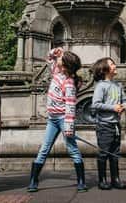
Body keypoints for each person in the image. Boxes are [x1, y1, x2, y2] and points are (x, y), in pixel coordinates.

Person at [28, 48, 87, 193]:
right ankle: (33, 180)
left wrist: (68, 126)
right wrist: (58, 51)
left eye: (61, 58)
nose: (58, 59)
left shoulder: (68, 82)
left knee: (72, 148)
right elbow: (49, 56)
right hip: (52, 119)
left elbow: (70, 105)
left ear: (65, 65)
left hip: (63, 119)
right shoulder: (56, 73)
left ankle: (81, 181)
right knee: (44, 148)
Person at [91, 57, 126, 190]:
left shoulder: (118, 85)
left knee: (115, 153)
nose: (115, 65)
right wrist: (113, 108)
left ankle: (115, 179)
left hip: (116, 125)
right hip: (104, 125)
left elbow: (124, 100)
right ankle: (102, 180)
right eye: (112, 64)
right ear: (105, 69)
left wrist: (123, 106)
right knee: (104, 153)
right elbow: (96, 104)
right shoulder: (101, 86)